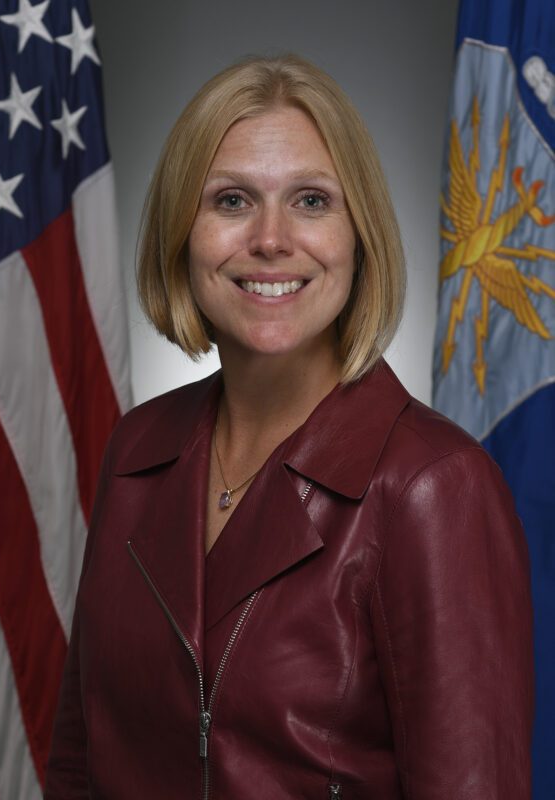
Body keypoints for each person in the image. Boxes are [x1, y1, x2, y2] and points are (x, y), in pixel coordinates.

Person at [44, 55, 533, 800]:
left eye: (310, 200)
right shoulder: (136, 447)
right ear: (183, 231)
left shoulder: (435, 487)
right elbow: (80, 763)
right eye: (232, 200)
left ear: (358, 233)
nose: (271, 239)